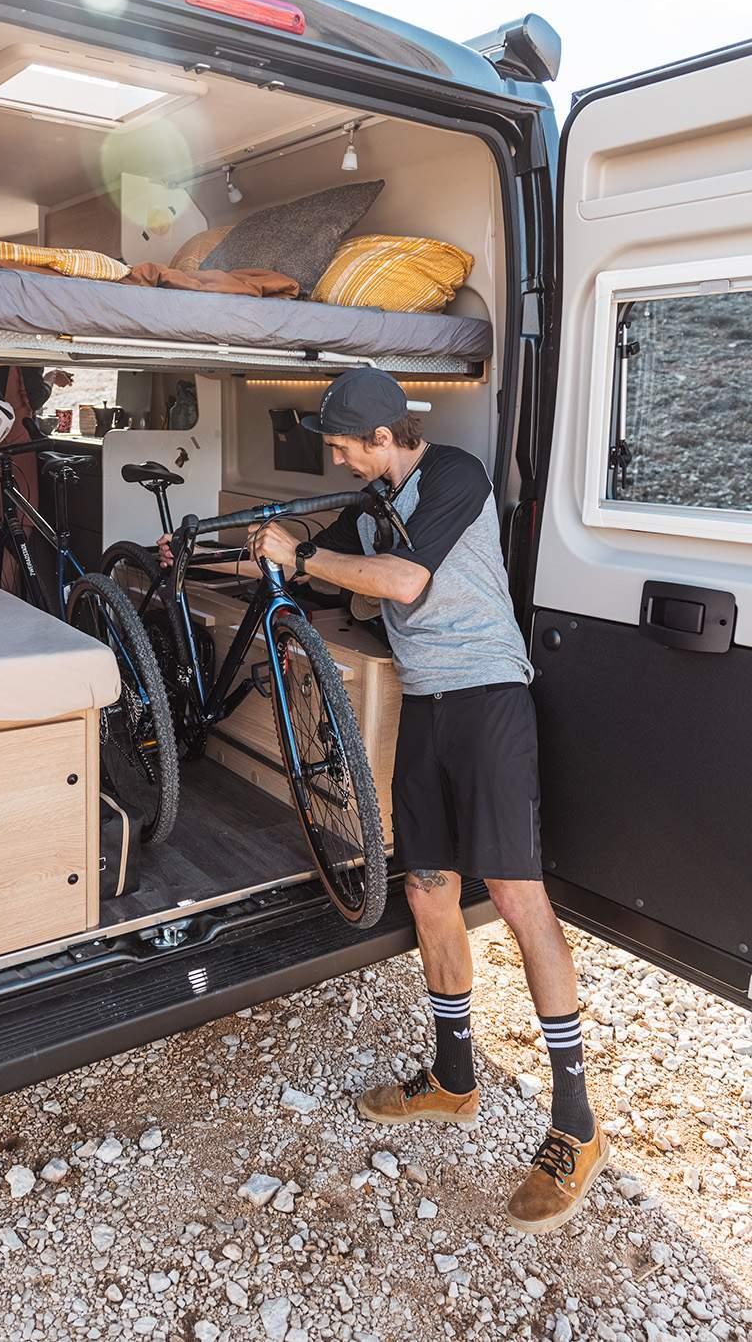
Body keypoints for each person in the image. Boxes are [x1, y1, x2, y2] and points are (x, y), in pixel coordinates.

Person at [244, 368, 608, 1234]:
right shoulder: (371, 499)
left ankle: (576, 1124)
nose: (338, 460)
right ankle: (453, 1079)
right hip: (429, 704)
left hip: (488, 699)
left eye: (344, 447)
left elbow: (401, 582)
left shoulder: (453, 475)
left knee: (517, 895)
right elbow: (320, 556)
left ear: (383, 436)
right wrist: (255, 544)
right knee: (427, 890)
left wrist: (302, 555)